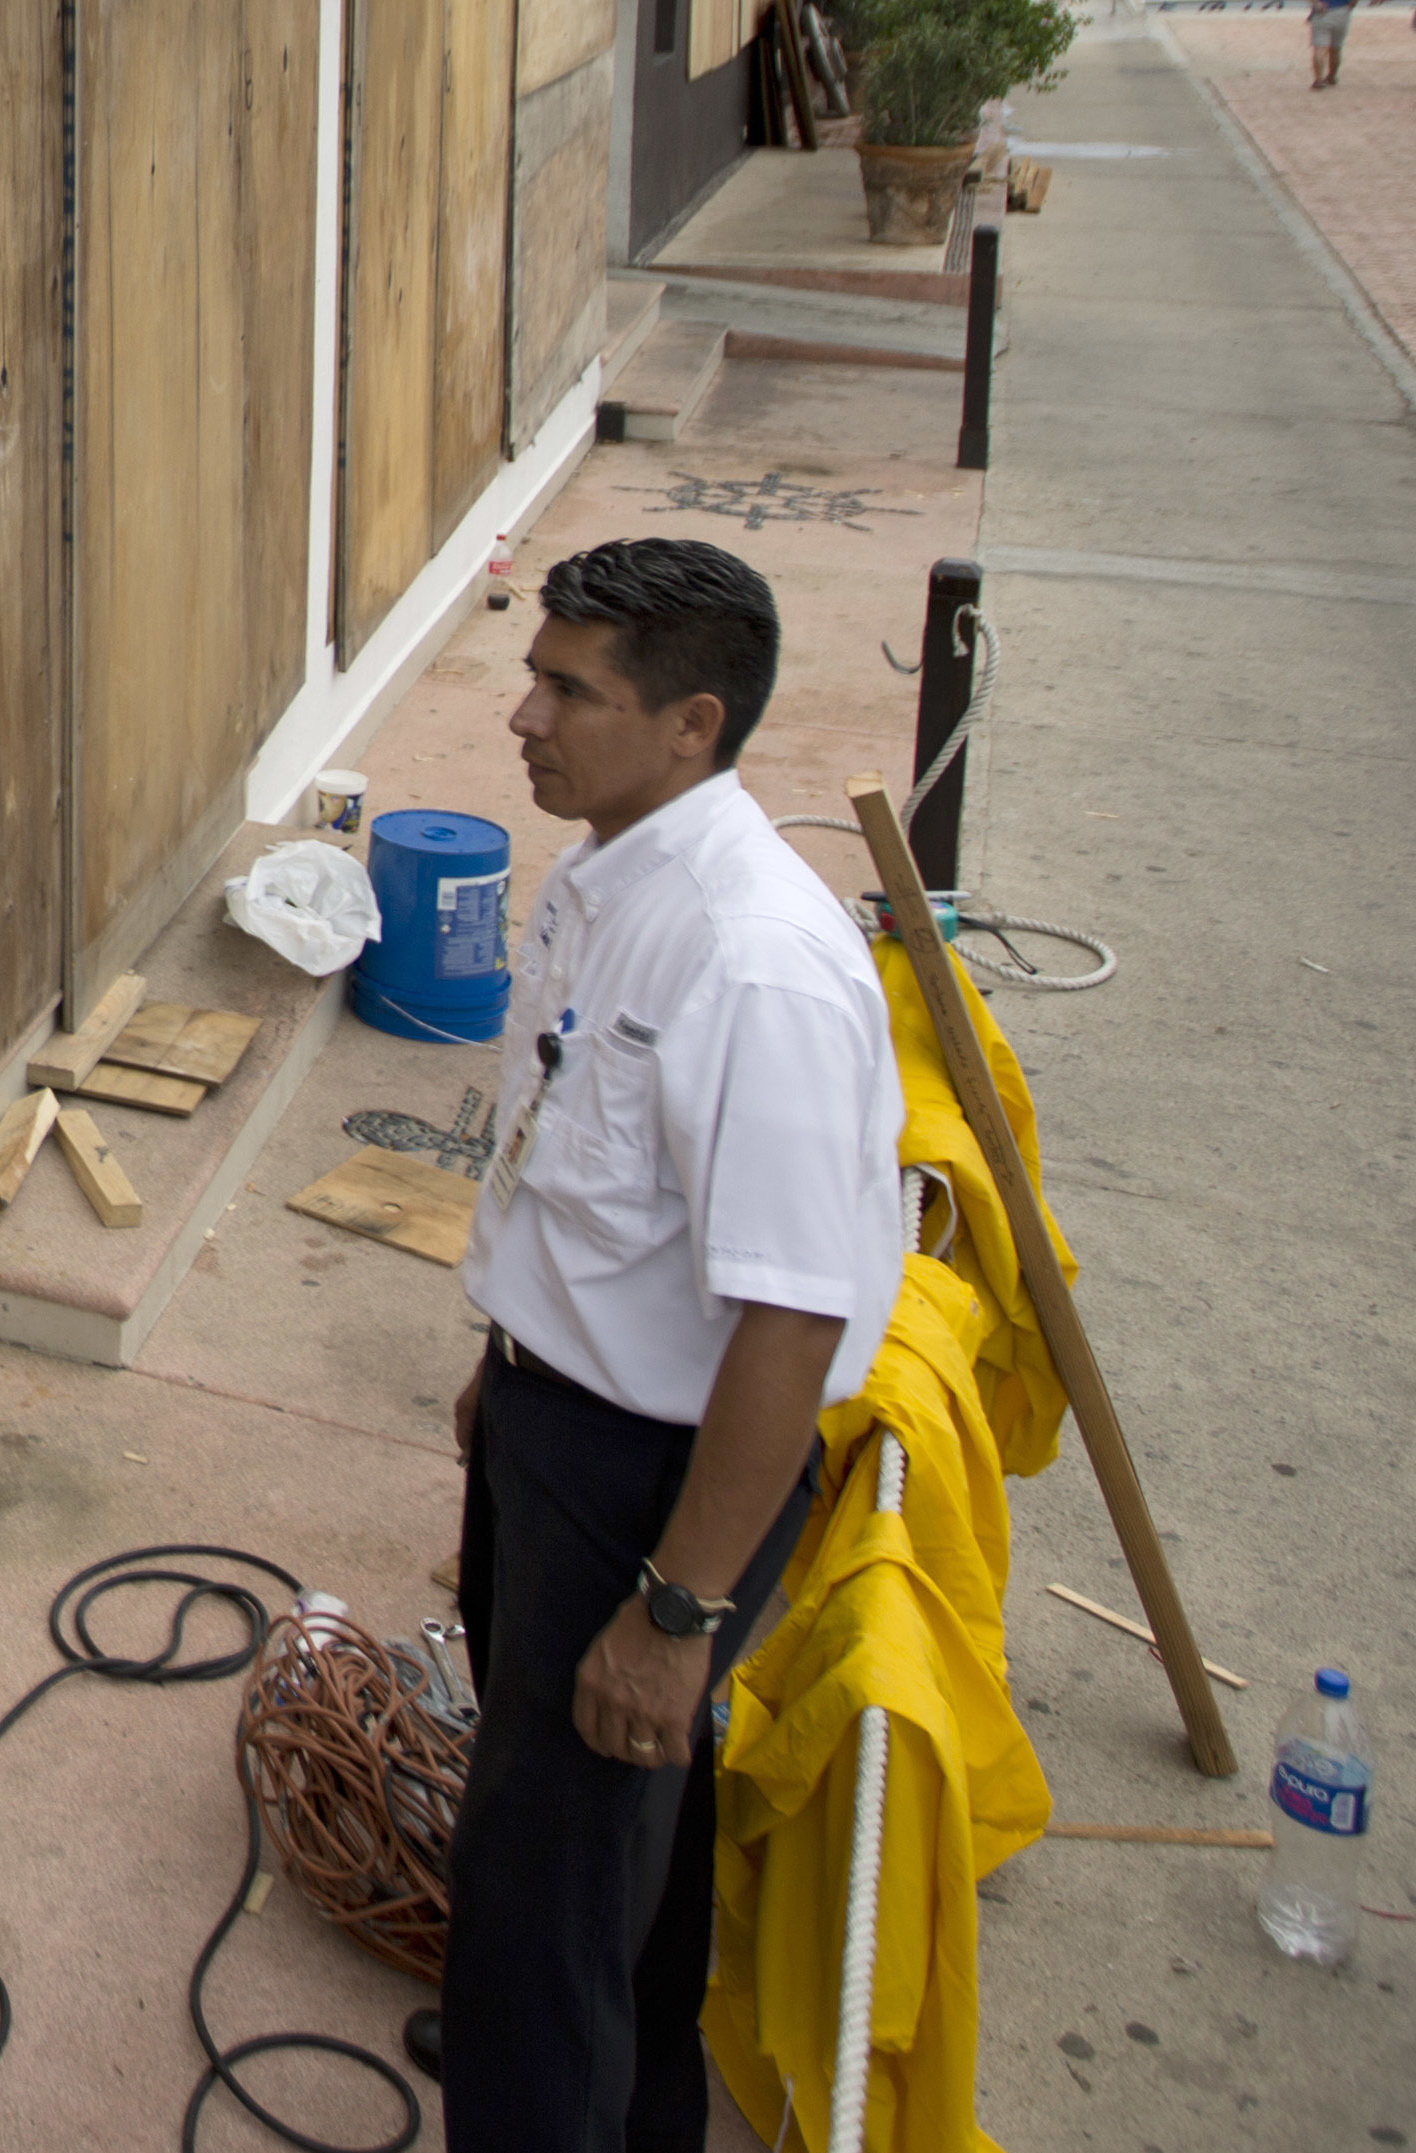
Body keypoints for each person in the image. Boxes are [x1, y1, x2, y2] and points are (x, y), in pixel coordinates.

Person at [421, 537, 906, 2153]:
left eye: (569, 690)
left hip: (661, 1483)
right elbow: (583, 1176)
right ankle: (630, 2111)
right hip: (561, 1430)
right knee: (603, 1835)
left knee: (543, 1893)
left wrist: (679, 1608)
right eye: (535, 673)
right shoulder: (606, 870)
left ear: (692, 723)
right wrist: (508, 1379)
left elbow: (790, 1313)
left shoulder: (753, 960)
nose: (523, 715)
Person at [1302, 0, 1362, 88]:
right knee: (1336, 48)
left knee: (1320, 48)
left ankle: (1318, 79)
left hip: (1322, 13)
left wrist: (1316, 3)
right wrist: (1353, 2)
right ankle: (1332, 76)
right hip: (1341, 11)